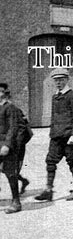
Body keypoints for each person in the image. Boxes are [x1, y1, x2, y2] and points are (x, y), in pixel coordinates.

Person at [35, 68, 73, 202]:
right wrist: (52, 131)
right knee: (50, 162)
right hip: (56, 136)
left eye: (61, 80)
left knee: (72, 162)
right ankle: (48, 190)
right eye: (56, 80)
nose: (58, 83)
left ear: (67, 80)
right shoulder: (55, 96)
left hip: (68, 136)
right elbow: (54, 117)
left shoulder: (72, 96)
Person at [0, 84, 25, 213]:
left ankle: (16, 202)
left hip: (7, 146)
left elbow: (13, 128)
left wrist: (7, 145)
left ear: (4, 93)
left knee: (10, 173)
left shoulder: (10, 108)